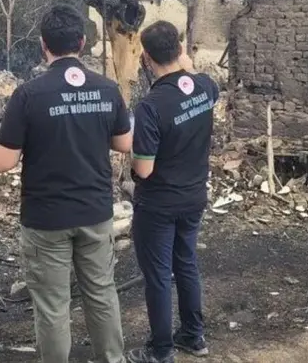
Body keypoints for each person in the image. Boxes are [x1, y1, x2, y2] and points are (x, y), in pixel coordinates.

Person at [0, 4, 132, 363]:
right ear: (82, 43)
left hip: (46, 219)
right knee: (101, 294)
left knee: (53, 306)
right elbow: (124, 144)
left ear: (44, 45)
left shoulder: (28, 95)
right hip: (95, 213)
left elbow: (3, 163)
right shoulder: (106, 89)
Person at [126, 21, 219, 363]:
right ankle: (193, 337)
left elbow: (144, 169)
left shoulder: (151, 106)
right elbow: (198, 81)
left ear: (146, 58)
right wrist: (187, 67)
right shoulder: (205, 88)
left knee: (158, 276)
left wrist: (133, 158)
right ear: (180, 50)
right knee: (186, 265)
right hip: (194, 197)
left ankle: (161, 350)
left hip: (158, 204)